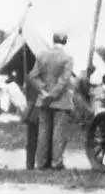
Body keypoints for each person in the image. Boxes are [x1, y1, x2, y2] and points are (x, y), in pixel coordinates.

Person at [29, 32, 76, 171]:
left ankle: (42, 163)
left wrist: (44, 92)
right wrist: (53, 94)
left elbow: (32, 76)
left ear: (53, 40)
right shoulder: (67, 58)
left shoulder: (41, 55)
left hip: (44, 101)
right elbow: (64, 80)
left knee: (43, 132)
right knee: (58, 133)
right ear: (65, 42)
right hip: (60, 101)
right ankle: (57, 163)